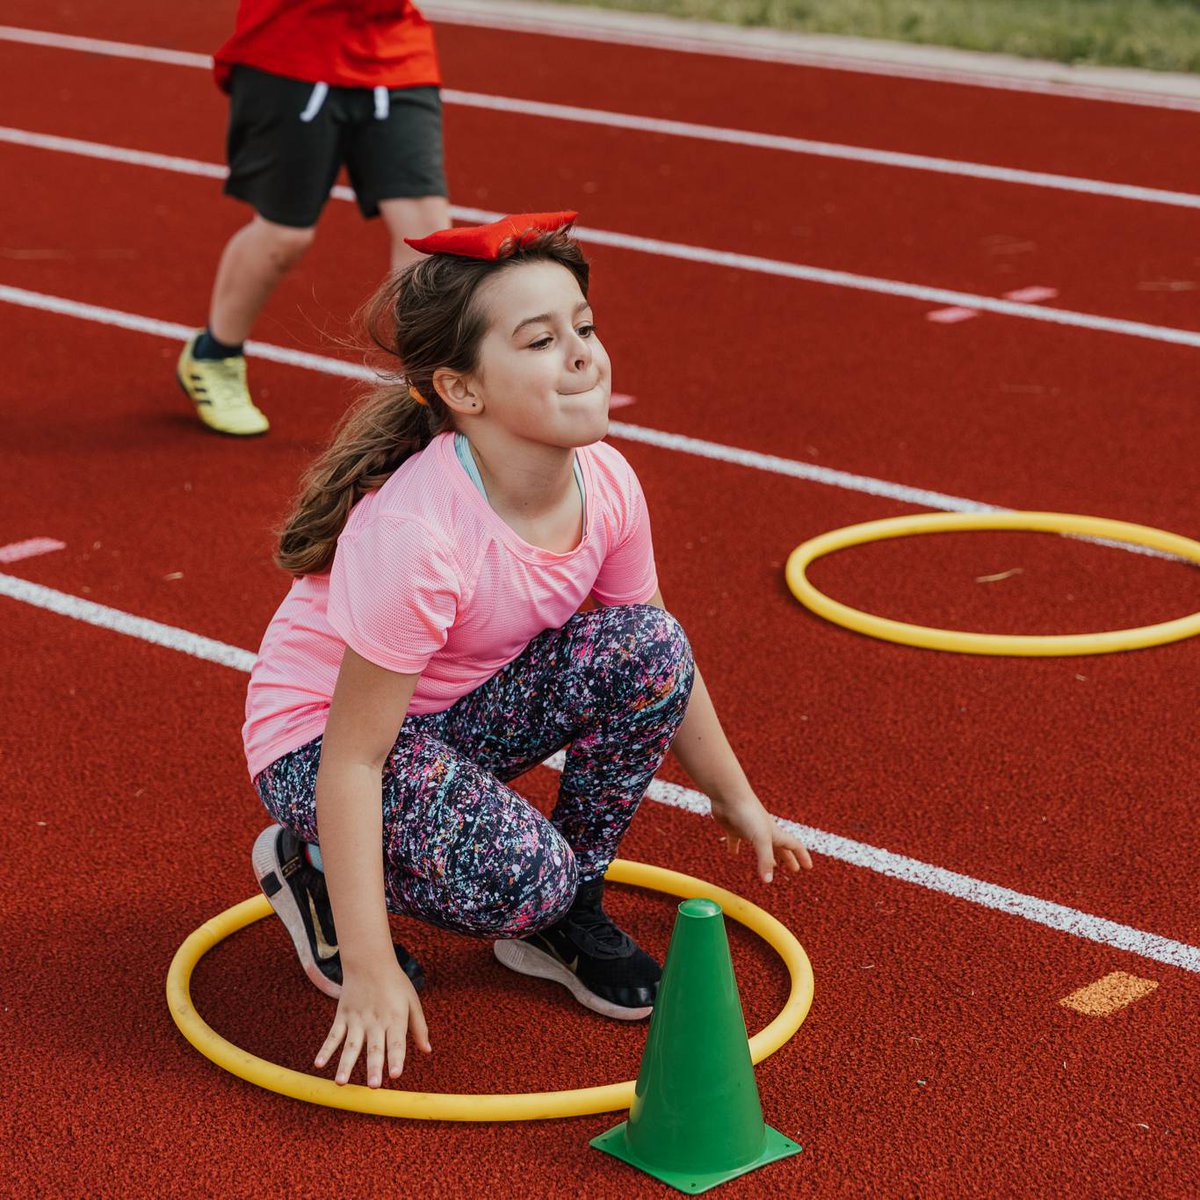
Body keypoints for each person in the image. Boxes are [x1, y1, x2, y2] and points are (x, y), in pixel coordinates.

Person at [243, 211, 814, 1089]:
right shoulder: (418, 534)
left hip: (448, 721)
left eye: (584, 325)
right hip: (320, 748)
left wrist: (736, 799)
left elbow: (660, 662)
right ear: (463, 392)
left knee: (647, 645)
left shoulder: (609, 483)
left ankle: (564, 911)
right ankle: (308, 865)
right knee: (522, 874)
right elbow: (354, 761)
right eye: (542, 340)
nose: (583, 352)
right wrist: (369, 965)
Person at [177, 0, 451, 436]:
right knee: (284, 235)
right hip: (296, 50)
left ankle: (425, 389)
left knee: (427, 237)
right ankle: (214, 354)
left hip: (396, 55)